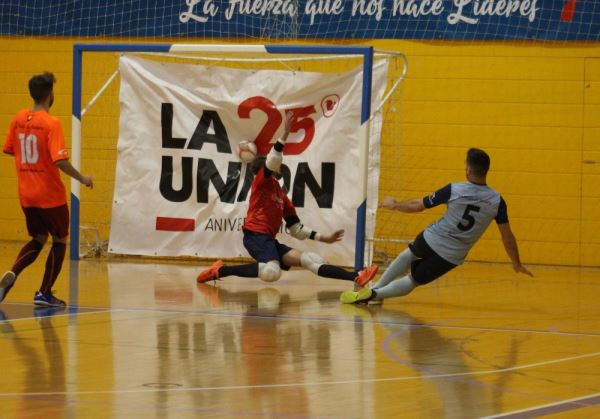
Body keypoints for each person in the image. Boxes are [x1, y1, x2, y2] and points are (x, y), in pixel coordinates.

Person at [197, 113, 378, 287]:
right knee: (271, 272)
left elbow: (296, 229)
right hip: (255, 236)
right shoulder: (262, 182)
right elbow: (273, 160)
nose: (279, 166)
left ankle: (357, 276)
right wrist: (284, 134)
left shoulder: (282, 197)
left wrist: (326, 239)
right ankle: (221, 271)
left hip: (268, 240)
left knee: (310, 259)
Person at [340, 147, 532, 304]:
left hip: (432, 237)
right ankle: (375, 295)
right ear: (486, 170)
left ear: (468, 169)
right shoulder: (497, 201)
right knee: (413, 280)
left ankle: (376, 288)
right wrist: (516, 262)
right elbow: (507, 236)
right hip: (452, 254)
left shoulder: (454, 189)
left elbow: (417, 206)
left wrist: (395, 204)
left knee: (408, 254)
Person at [0, 72, 93, 307]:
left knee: (38, 238)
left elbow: (9, 149)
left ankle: (11, 275)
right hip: (50, 196)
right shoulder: (52, 123)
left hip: (26, 195)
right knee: (60, 240)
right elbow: (59, 161)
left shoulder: (19, 118)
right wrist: (82, 178)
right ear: (51, 95)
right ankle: (44, 292)